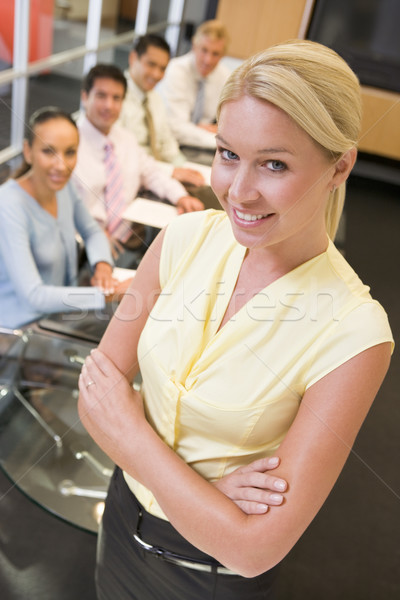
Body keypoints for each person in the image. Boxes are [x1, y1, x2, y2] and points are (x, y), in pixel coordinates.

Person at [78, 40, 394, 600]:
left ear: (339, 165)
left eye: (274, 163)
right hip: (119, 530)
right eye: (227, 154)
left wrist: (129, 432)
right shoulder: (179, 239)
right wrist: (207, 493)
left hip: (207, 582)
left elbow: (252, 550)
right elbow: (92, 393)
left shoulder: (357, 333)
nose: (238, 192)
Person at [0, 106, 125, 330]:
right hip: (20, 330)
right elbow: (33, 296)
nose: (62, 165)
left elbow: (92, 231)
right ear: (28, 151)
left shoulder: (63, 187)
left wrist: (103, 267)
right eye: (48, 151)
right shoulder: (9, 206)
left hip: (59, 315)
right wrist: (108, 294)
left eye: (70, 152)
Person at [72, 64, 204, 268]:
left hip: (130, 235)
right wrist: (94, 233)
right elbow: (67, 203)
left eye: (116, 98)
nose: (109, 105)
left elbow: (152, 173)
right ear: (84, 96)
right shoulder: (69, 144)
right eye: (101, 96)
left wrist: (180, 196)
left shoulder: (125, 139)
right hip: (87, 243)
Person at [119, 34, 205, 188]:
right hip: (134, 179)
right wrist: (170, 171)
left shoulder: (155, 98)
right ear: (133, 58)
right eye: (151, 64)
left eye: (162, 68)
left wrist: (183, 167)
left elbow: (166, 142)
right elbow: (124, 156)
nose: (157, 74)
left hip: (160, 177)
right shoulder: (116, 99)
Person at [158, 19, 231, 150]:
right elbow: (177, 128)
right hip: (170, 142)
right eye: (204, 50)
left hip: (200, 142)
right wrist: (216, 138)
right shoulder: (176, 70)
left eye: (215, 54)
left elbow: (228, 123)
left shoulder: (225, 76)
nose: (208, 60)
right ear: (194, 46)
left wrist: (211, 130)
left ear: (223, 55)